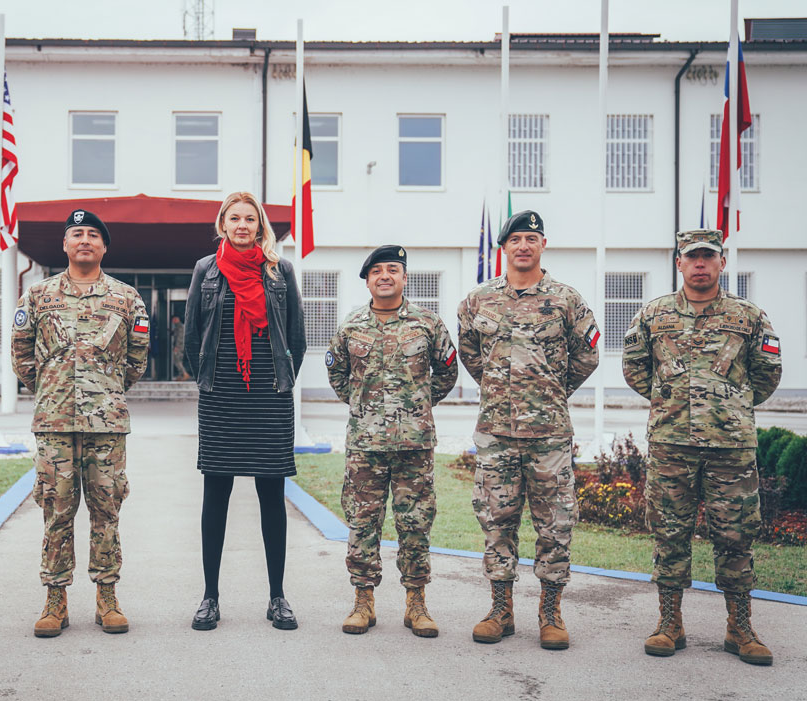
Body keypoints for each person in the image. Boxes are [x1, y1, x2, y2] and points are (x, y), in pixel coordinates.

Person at [623, 229, 782, 665]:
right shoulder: (654, 314)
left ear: (721, 263)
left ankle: (740, 627)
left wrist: (730, 408)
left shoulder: (749, 316)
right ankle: (669, 623)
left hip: (730, 447)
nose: (700, 264)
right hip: (672, 443)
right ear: (679, 262)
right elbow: (635, 367)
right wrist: (668, 401)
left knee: (736, 535)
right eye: (692, 256)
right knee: (669, 533)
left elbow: (767, 374)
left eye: (708, 256)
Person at [456, 210, 600, 650]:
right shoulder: (478, 301)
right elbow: (470, 354)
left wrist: (550, 391)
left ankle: (550, 613)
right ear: (504, 247)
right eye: (516, 238)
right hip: (497, 433)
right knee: (496, 521)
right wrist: (502, 390)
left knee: (555, 525)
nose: (523, 245)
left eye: (531, 238)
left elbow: (587, 356)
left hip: (549, 435)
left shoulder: (566, 300)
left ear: (542, 245)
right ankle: (500, 610)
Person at [11, 209, 149, 637]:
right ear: (65, 245)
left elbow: (137, 361)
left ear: (104, 247)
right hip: (54, 423)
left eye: (93, 235)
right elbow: (22, 355)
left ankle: (107, 597)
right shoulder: (38, 295)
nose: (85, 240)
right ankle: (55, 600)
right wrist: (53, 390)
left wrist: (104, 391)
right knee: (56, 511)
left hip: (106, 426)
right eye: (77, 234)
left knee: (107, 511)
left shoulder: (127, 298)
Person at [184, 191, 306, 632]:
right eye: (233, 218)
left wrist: (280, 382)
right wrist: (207, 380)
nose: (241, 225)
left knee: (271, 496)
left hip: (269, 398)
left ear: (260, 225)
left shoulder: (279, 271)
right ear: (222, 223)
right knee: (215, 494)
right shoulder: (206, 270)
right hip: (222, 397)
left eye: (249, 219)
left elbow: (296, 337)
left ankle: (277, 597)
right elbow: (192, 337)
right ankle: (209, 598)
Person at [326, 245, 459, 636]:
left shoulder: (428, 324)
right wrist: (363, 406)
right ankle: (362, 602)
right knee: (362, 523)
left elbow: (447, 372)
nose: (385, 276)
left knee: (415, 524)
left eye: (393, 269)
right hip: (365, 446)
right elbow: (337, 375)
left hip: (414, 446)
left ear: (404, 278)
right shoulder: (351, 325)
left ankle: (416, 604)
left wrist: (417, 405)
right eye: (377, 271)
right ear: (367, 280)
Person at [170, 315, 191, 381]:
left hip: (179, 347)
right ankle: (181, 375)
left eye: (173, 319)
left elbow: (180, 338)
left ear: (177, 319)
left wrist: (177, 347)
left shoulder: (180, 327)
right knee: (178, 361)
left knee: (177, 361)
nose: (172, 321)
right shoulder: (177, 327)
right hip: (180, 347)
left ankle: (185, 374)